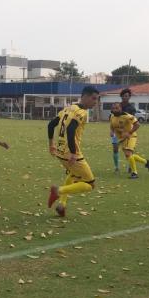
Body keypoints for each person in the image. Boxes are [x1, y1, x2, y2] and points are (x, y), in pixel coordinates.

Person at [47, 86, 100, 217]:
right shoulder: (82, 112)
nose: (95, 102)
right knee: (90, 184)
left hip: (60, 152)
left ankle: (62, 205)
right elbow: (71, 130)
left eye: (97, 99)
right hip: (69, 152)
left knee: (73, 175)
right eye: (94, 98)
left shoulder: (68, 108)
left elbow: (50, 125)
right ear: (85, 96)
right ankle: (58, 191)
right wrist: (73, 153)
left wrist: (51, 144)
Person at [110, 102, 149, 179]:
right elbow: (112, 126)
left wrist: (129, 132)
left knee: (128, 154)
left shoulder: (127, 116)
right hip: (122, 138)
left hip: (131, 137)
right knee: (128, 156)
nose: (115, 109)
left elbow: (137, 125)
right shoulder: (112, 117)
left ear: (120, 108)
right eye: (113, 108)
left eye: (117, 108)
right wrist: (112, 132)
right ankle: (146, 162)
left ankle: (134, 173)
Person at [110, 88, 137, 172]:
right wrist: (111, 130)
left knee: (128, 150)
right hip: (117, 132)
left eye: (127, 96)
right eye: (124, 96)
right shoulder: (117, 106)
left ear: (129, 97)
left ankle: (130, 166)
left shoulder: (131, 108)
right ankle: (116, 167)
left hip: (127, 132)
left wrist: (129, 132)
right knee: (115, 148)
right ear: (121, 96)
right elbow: (111, 119)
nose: (125, 97)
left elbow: (133, 122)